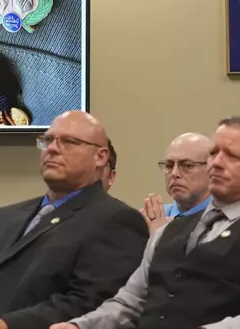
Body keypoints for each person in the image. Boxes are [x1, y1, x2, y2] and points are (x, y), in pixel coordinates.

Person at [0, 110, 149, 329]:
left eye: (69, 142)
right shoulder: (4, 216)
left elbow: (88, 304)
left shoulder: (116, 221)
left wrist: (4, 325)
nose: (52, 149)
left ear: (101, 156)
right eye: (48, 140)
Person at [51, 116, 240, 329]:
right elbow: (130, 303)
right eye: (214, 153)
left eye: (231, 156)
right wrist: (80, 326)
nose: (216, 163)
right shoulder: (167, 231)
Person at [140, 133, 213, 234]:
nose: (174, 173)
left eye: (187, 165)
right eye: (169, 165)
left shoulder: (225, 220)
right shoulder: (152, 218)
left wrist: (159, 237)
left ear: (212, 169)